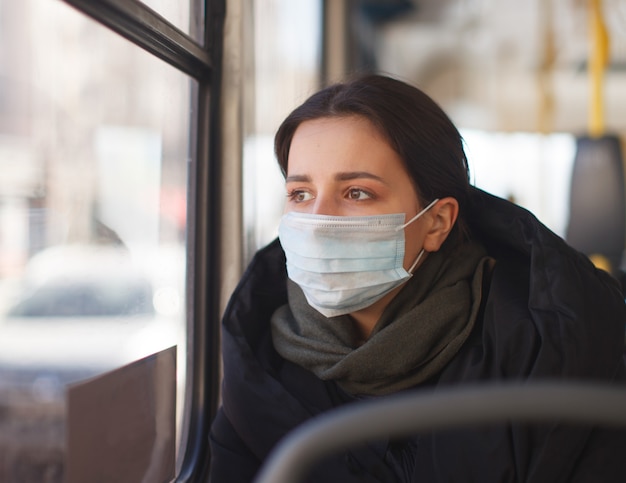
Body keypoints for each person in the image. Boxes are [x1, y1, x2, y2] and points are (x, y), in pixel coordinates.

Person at [208, 73, 626, 482]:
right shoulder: (257, 364)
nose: (317, 222)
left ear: (437, 222)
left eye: (357, 193)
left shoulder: (547, 349)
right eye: (300, 194)